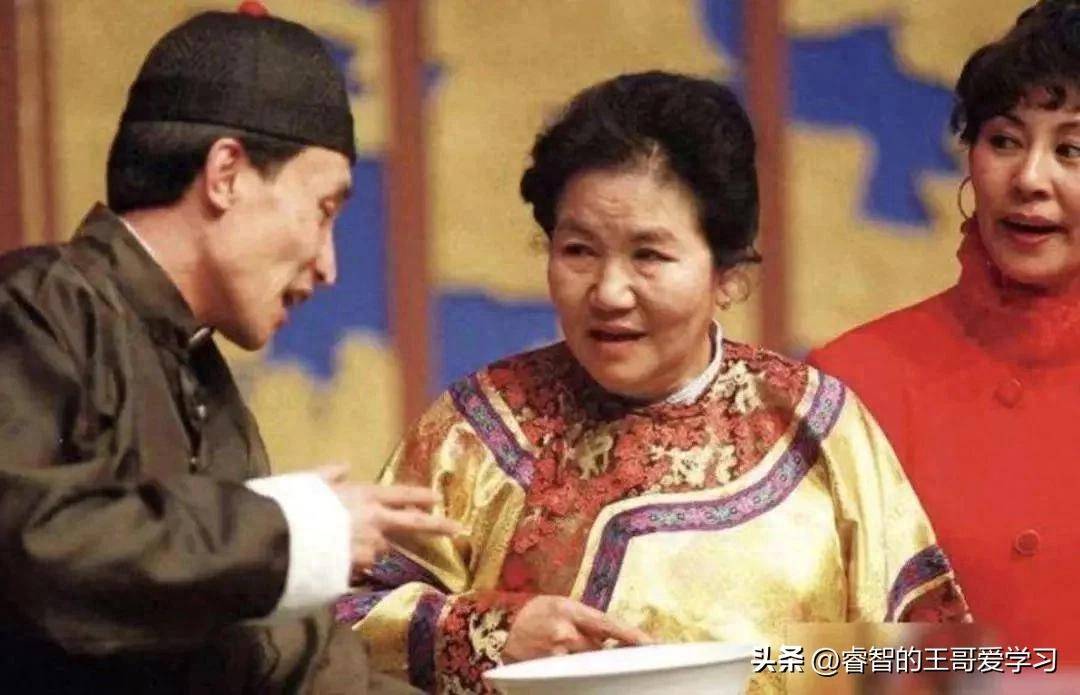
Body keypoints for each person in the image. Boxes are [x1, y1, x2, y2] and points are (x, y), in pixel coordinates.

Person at [336, 71, 969, 694]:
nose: (609, 293)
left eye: (649, 256)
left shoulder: (816, 426)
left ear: (727, 274)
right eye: (578, 251)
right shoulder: (478, 430)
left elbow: (926, 661)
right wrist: (494, 636)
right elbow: (340, 625)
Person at [0, 5, 459, 693]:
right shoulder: (34, 307)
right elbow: (37, 550)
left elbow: (282, 660)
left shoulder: (205, 381)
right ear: (226, 175)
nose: (329, 265)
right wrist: (289, 530)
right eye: (324, 210)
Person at [809, 0, 1080, 664]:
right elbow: (808, 660)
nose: (1029, 178)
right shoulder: (851, 386)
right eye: (1004, 140)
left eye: (1071, 149)